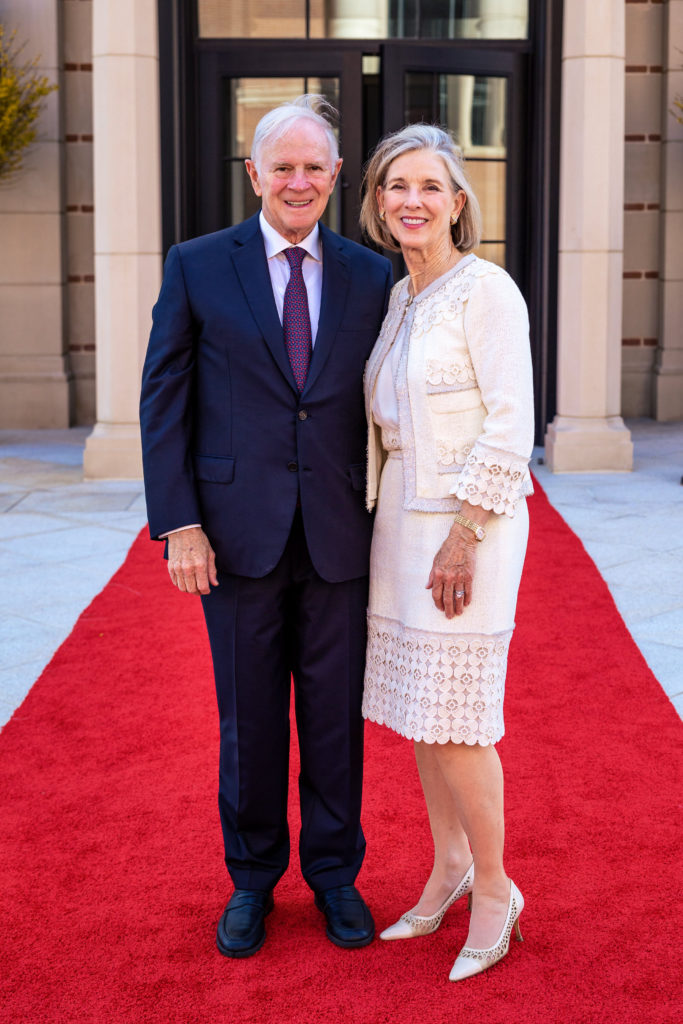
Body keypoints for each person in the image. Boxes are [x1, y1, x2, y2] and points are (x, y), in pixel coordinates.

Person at [140, 95, 392, 958]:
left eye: (313, 167)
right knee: (247, 721)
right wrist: (179, 523)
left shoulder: (372, 275)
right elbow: (164, 397)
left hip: (339, 536)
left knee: (333, 720)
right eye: (280, 166)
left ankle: (333, 876)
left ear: (335, 177)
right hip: (233, 535)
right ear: (253, 174)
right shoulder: (199, 264)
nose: (297, 181)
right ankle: (251, 881)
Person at [359, 124, 534, 981]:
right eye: (396, 186)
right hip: (400, 521)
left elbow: (511, 423)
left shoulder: (485, 290)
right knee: (425, 716)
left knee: (460, 719)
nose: (412, 201)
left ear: (458, 203)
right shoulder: (399, 298)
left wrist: (463, 536)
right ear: (378, 202)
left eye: (430, 186)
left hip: (471, 526)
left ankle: (497, 889)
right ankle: (447, 866)